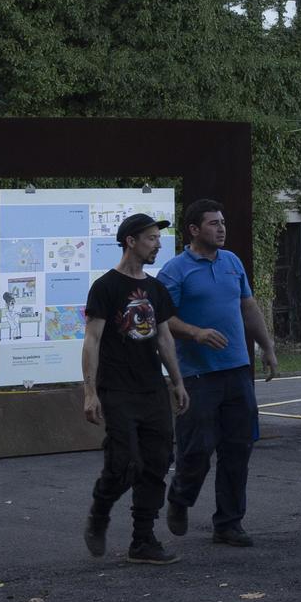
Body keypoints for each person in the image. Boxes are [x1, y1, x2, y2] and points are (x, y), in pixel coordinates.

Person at [158, 198, 277, 548]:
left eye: (222, 222)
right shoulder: (175, 271)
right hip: (198, 375)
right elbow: (163, 320)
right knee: (196, 451)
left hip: (237, 370)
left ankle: (228, 523)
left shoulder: (232, 262)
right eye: (213, 223)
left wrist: (267, 348)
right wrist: (195, 332)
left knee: (238, 448)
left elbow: (248, 306)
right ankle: (180, 497)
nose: (222, 228)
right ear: (194, 230)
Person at [82, 212, 191, 565]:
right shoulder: (106, 287)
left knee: (158, 461)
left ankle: (142, 540)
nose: (157, 244)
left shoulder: (156, 290)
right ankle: (100, 511)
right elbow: (92, 340)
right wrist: (89, 392)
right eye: (151, 238)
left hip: (152, 390)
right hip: (116, 389)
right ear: (131, 241)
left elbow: (164, 339)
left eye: (158, 239)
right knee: (124, 462)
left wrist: (177, 382)